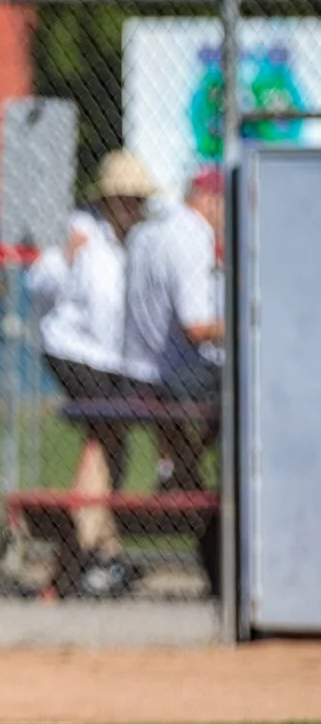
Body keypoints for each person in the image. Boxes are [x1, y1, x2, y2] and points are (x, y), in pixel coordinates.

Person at [24, 149, 157, 597]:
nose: (130, 208)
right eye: (122, 199)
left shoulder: (137, 244)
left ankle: (97, 547)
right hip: (73, 351)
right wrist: (63, 256)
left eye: (136, 200)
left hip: (112, 362)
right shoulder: (82, 232)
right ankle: (88, 552)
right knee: (108, 432)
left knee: (109, 443)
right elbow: (37, 284)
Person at [123, 166, 225, 493]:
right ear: (210, 200)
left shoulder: (147, 231)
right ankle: (193, 474)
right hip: (172, 375)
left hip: (137, 367)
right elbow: (195, 327)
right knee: (252, 384)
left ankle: (180, 469)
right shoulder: (193, 234)